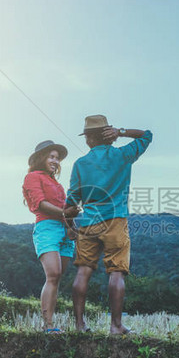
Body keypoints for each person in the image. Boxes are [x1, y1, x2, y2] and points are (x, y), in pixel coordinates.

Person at [65, 115, 153, 334]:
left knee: (83, 271)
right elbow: (148, 135)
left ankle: (79, 324)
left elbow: (70, 202)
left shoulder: (80, 164)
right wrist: (121, 132)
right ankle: (116, 326)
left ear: (88, 139)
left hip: (88, 222)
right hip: (116, 219)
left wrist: (70, 225)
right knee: (116, 272)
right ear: (109, 134)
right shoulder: (122, 155)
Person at [22, 140, 79, 333]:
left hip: (63, 231)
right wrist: (66, 213)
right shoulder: (32, 177)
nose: (55, 161)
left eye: (57, 158)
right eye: (51, 157)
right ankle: (47, 326)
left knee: (57, 277)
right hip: (46, 228)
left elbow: (65, 211)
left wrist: (72, 227)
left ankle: (50, 323)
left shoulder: (58, 185)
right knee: (53, 273)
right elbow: (40, 204)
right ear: (41, 158)